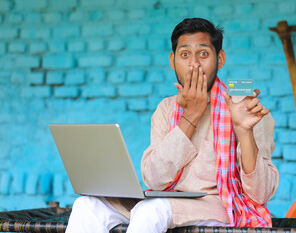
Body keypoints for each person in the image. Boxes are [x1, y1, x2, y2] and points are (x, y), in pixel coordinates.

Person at [66, 18, 279, 233]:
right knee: (86, 205)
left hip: (221, 205)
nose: (194, 64)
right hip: (167, 199)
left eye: (203, 54)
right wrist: (190, 117)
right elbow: (155, 180)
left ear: (220, 59)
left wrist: (243, 131)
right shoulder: (166, 109)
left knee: (151, 210)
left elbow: (259, 195)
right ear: (173, 60)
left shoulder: (244, 108)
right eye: (185, 55)